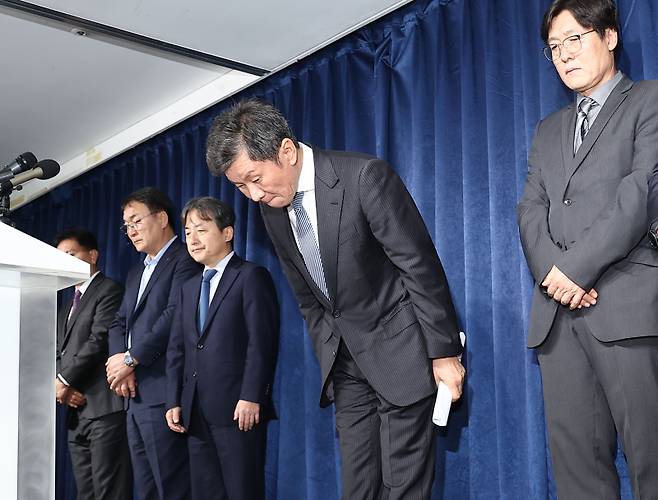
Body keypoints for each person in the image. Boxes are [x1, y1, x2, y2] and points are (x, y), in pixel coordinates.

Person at [205, 99, 465, 499]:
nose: (253, 195)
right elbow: (307, 296)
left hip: (401, 354)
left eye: (255, 178)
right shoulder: (272, 212)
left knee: (404, 489)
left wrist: (443, 353)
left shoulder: (363, 177)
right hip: (346, 368)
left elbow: (419, 266)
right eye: (241, 187)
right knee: (357, 489)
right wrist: (328, 348)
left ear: (286, 151)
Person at [517, 0, 658, 497]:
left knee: (652, 461)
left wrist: (575, 270)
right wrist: (557, 277)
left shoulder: (650, 101)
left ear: (610, 37)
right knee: (577, 475)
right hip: (559, 320)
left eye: (574, 38)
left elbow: (640, 192)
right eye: (554, 47)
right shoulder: (546, 130)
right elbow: (530, 210)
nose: (563, 55)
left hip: (628, 309)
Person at [165, 196, 279, 500]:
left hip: (237, 410)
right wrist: (174, 399)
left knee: (242, 491)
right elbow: (179, 349)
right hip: (194, 411)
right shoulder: (187, 288)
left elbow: (261, 341)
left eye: (201, 229)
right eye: (188, 232)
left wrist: (252, 395)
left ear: (227, 233)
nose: (192, 239)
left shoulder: (251, 276)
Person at [106, 187, 201, 500]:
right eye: (126, 225)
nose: (131, 231)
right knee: (146, 489)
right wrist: (121, 362)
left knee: (172, 487)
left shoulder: (185, 257)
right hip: (135, 397)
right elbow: (119, 322)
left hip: (164, 392)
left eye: (136, 221)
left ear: (161, 218)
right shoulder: (135, 272)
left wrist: (132, 359)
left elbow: (175, 315)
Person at [55, 228, 132, 499]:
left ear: (93, 255)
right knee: (85, 492)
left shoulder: (109, 290)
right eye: (59, 256)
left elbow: (98, 341)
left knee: (108, 490)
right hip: (77, 410)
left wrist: (63, 381)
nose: (64, 261)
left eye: (71, 254)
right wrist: (63, 387)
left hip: (105, 408)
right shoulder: (66, 306)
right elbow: (58, 351)